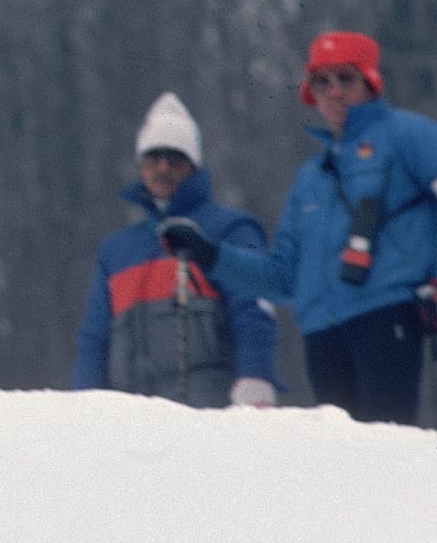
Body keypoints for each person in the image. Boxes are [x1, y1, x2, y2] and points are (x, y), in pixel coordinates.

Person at [162, 31, 437, 425]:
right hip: (322, 335)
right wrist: (211, 253)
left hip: (385, 317)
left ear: (370, 81)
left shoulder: (408, 136)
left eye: (346, 78)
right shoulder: (311, 176)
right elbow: (284, 278)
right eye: (322, 81)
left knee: (385, 455)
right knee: (341, 467)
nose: (333, 91)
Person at [72, 92, 279, 408]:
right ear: (141, 166)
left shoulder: (230, 230)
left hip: (208, 411)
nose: (163, 167)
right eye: (153, 158)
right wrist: (83, 402)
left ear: (193, 165)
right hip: (130, 419)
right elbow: (95, 340)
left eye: (175, 158)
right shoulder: (116, 251)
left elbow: (252, 309)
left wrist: (256, 375)